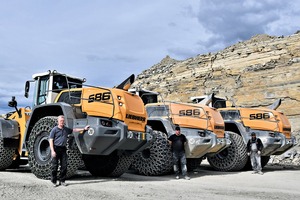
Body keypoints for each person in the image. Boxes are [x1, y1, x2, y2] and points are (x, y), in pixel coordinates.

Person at [49, 115, 90, 187]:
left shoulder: (66, 129)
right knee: (54, 166)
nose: (62, 122)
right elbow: (51, 140)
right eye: (60, 121)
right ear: (58, 121)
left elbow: (74, 130)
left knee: (64, 166)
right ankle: (54, 181)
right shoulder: (54, 129)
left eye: (63, 121)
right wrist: (52, 151)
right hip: (56, 148)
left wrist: (84, 129)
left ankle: (62, 181)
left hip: (63, 149)